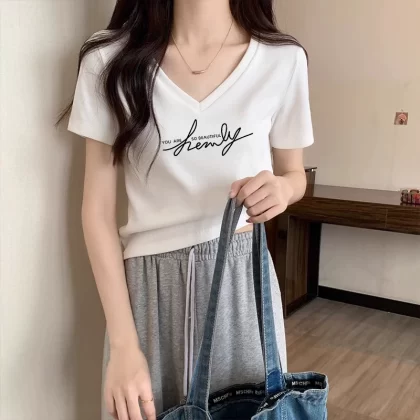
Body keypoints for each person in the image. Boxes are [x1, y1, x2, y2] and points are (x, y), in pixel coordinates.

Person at [63, 0, 314, 418]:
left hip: (242, 288)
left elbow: (294, 174)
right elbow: (97, 212)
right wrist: (123, 345)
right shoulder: (108, 60)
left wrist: (282, 189)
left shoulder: (282, 60)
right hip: (147, 293)